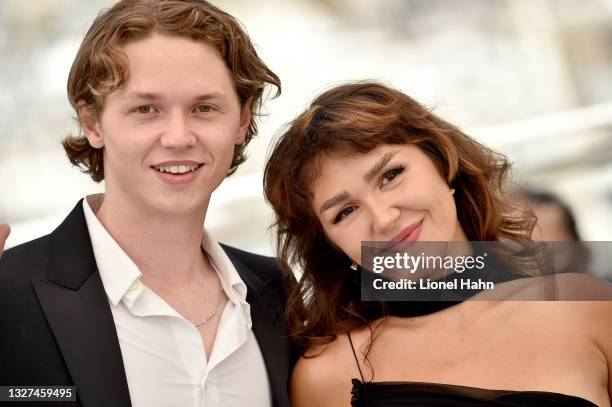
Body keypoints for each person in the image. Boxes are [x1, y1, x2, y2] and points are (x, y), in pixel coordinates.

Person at [0, 1, 293, 406]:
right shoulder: (9, 294)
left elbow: (403, 315)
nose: (178, 137)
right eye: (146, 109)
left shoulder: (275, 289)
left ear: (242, 120)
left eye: (204, 108)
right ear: (92, 122)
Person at [263, 82, 612, 406]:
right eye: (345, 211)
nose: (384, 218)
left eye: (390, 176)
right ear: (330, 244)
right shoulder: (325, 376)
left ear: (443, 161)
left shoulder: (586, 306)